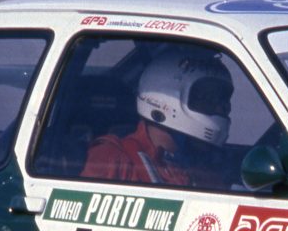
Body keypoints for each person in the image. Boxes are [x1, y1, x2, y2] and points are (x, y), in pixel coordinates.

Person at [81, 50, 233, 188]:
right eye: (207, 99)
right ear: (166, 101)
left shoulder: (206, 171)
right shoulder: (111, 158)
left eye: (222, 101)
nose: (219, 109)